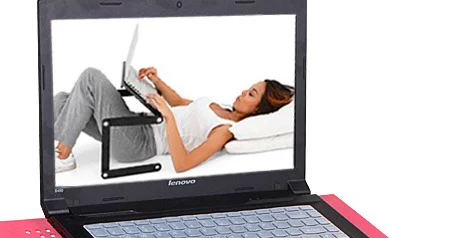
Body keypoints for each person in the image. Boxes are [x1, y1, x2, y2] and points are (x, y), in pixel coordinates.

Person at [53, 67, 294, 173]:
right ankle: (62, 143)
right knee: (61, 100)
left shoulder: (225, 130)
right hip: (136, 124)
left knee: (91, 77)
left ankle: (63, 155)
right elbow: (179, 102)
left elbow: (183, 164)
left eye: (251, 94)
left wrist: (168, 118)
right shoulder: (223, 106)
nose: (243, 92)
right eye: (248, 88)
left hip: (139, 143)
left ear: (258, 109)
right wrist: (156, 80)